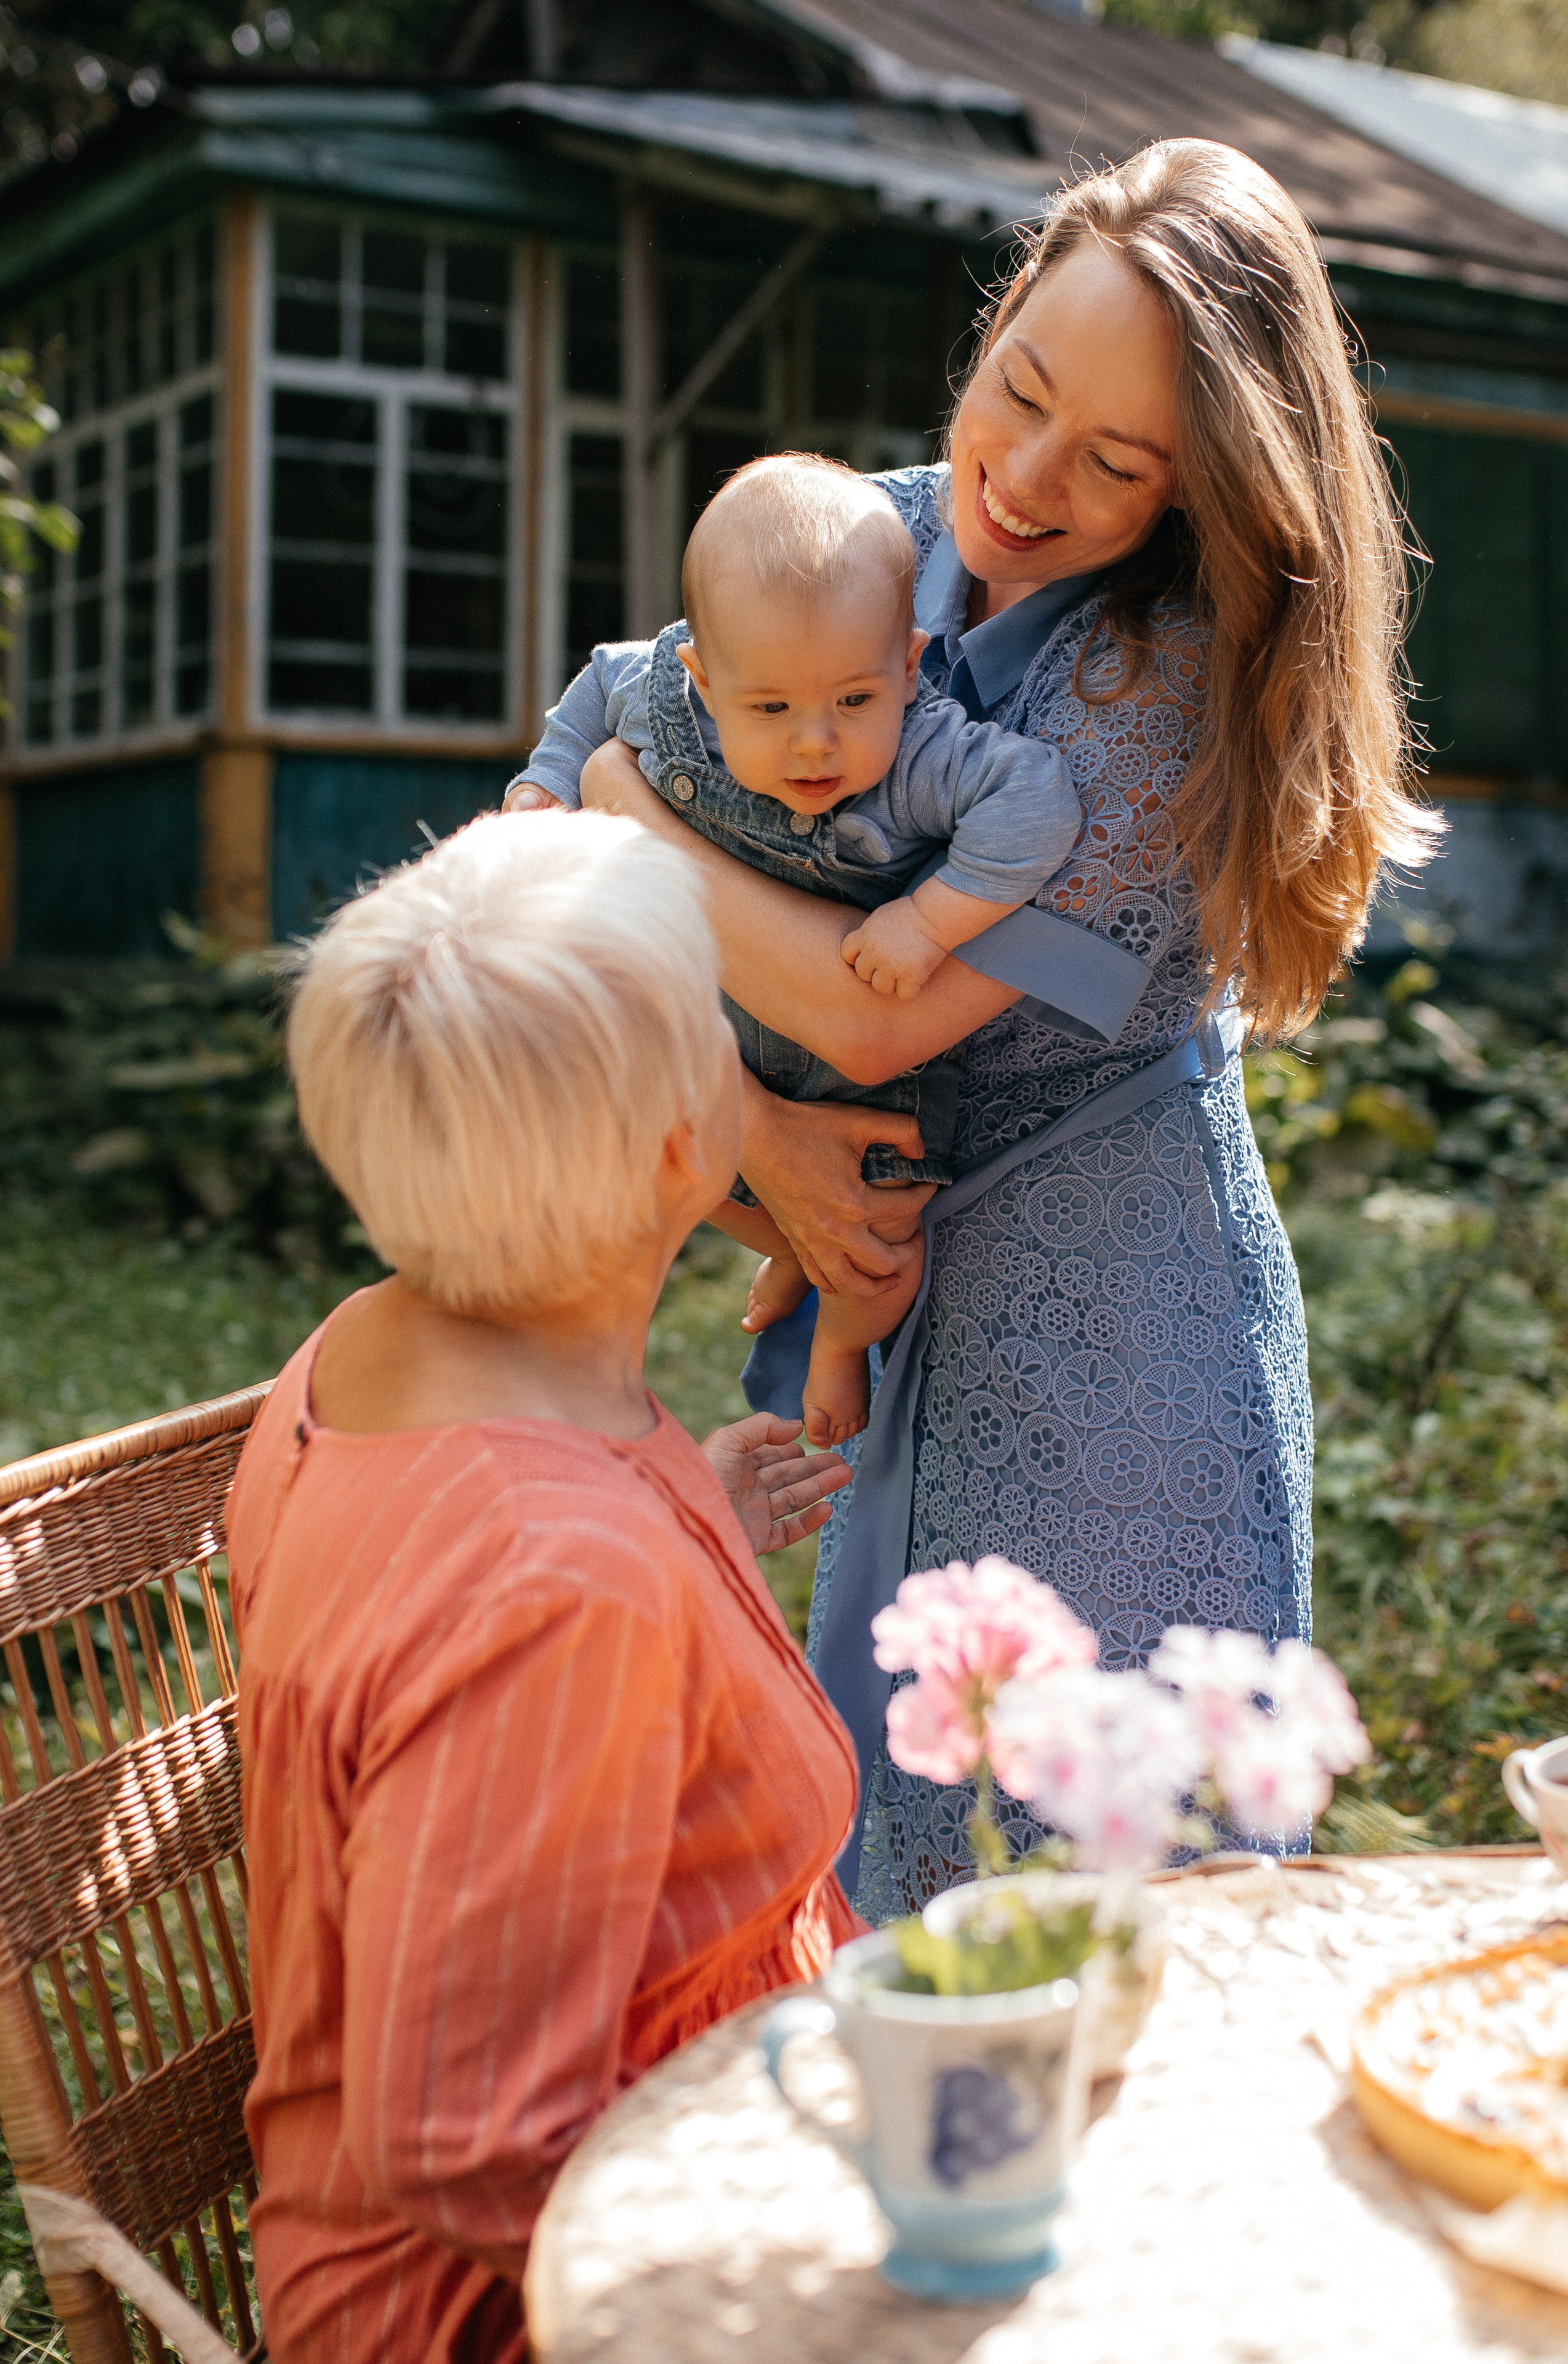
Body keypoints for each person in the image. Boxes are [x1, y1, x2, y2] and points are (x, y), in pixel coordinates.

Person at [569, 138, 1442, 1923]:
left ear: (1209, 499)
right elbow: (580, 792)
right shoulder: (869, 542)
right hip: (897, 1290)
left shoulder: (1163, 694)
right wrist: (747, 1143)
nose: (1025, 480)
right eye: (1017, 391)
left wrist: (613, 806)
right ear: (993, 326)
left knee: (1091, 1876)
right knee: (879, 1855)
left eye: (1117, 463)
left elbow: (855, 1009)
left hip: (1115, 1346)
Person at [226, 811, 859, 2363]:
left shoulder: (372, 1351)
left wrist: (667, 1517)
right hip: (550, 2309)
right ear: (670, 1153)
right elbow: (473, 2144)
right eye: (719, 1022)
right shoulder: (557, 1589)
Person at [505, 452, 1083, 1448]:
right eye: (769, 710)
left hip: (854, 1091)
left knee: (881, 1240)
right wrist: (544, 788)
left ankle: (835, 1340)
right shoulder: (658, 696)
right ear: (698, 675)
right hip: (714, 1052)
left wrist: (930, 917)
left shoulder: (925, 753)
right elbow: (593, 691)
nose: (815, 745)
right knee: (639, 1154)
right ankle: (780, 1243)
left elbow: (1038, 804)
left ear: (908, 666)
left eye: (854, 701)